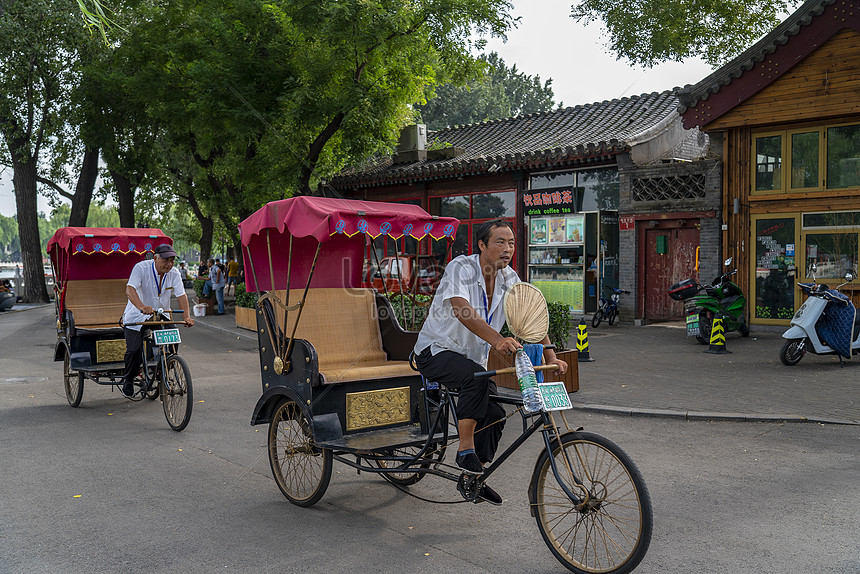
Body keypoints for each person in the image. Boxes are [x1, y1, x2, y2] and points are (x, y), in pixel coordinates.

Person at [413, 219, 567, 504]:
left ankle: (474, 475)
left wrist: (551, 355)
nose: (507, 248)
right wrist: (498, 340)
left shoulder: (510, 278)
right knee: (475, 379)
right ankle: (465, 449)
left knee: (495, 413)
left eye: (511, 243)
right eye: (500, 242)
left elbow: (531, 316)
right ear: (482, 245)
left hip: (472, 358)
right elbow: (462, 309)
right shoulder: (461, 267)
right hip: (436, 350)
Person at [121, 244, 194, 398]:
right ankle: (128, 378)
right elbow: (130, 290)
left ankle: (163, 369)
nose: (169, 263)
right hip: (137, 315)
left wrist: (186, 316)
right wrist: (141, 306)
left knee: (174, 340)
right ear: (155, 258)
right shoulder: (141, 268)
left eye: (172, 260)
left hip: (161, 315)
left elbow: (182, 295)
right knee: (134, 349)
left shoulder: (173, 273)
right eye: (166, 260)